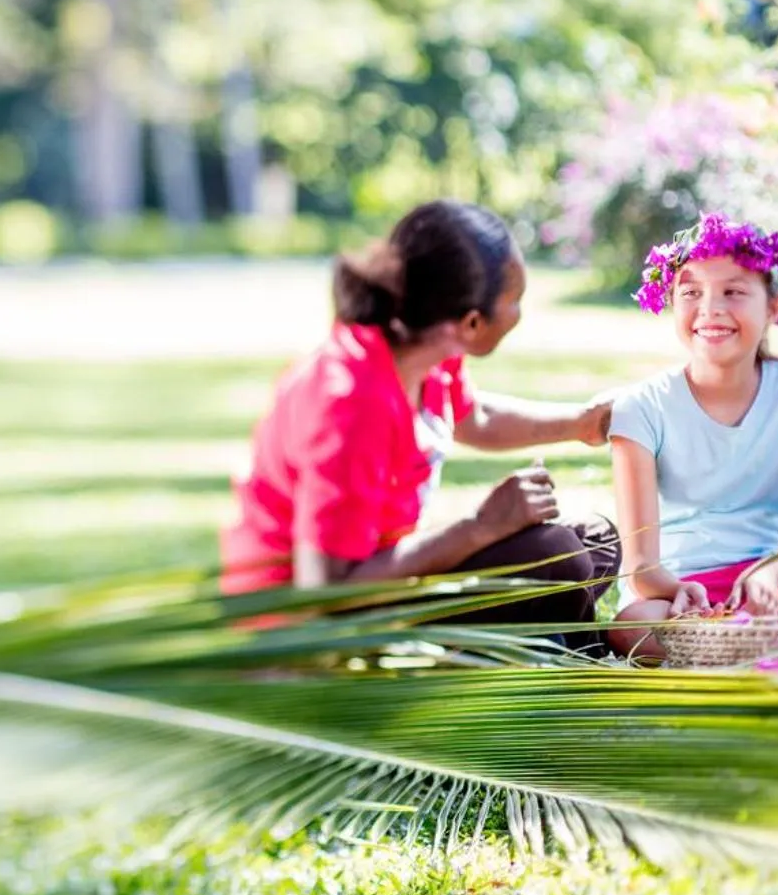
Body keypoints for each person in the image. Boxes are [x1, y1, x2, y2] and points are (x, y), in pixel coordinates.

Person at [220, 200, 620, 638]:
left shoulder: (423, 348)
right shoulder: (351, 404)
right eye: (515, 300)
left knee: (597, 539)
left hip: (387, 576)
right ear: (470, 323)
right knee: (559, 554)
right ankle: (575, 653)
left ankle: (539, 641)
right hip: (308, 620)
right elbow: (326, 592)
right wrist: (480, 527)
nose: (520, 314)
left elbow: (474, 417)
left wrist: (584, 424)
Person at [604, 214, 778, 661]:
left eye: (733, 291)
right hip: (678, 595)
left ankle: (746, 642)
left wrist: (770, 574)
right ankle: (768, 643)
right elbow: (641, 568)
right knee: (631, 627)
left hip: (770, 582)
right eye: (691, 292)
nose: (709, 308)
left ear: (772, 307)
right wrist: (680, 591)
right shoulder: (641, 407)